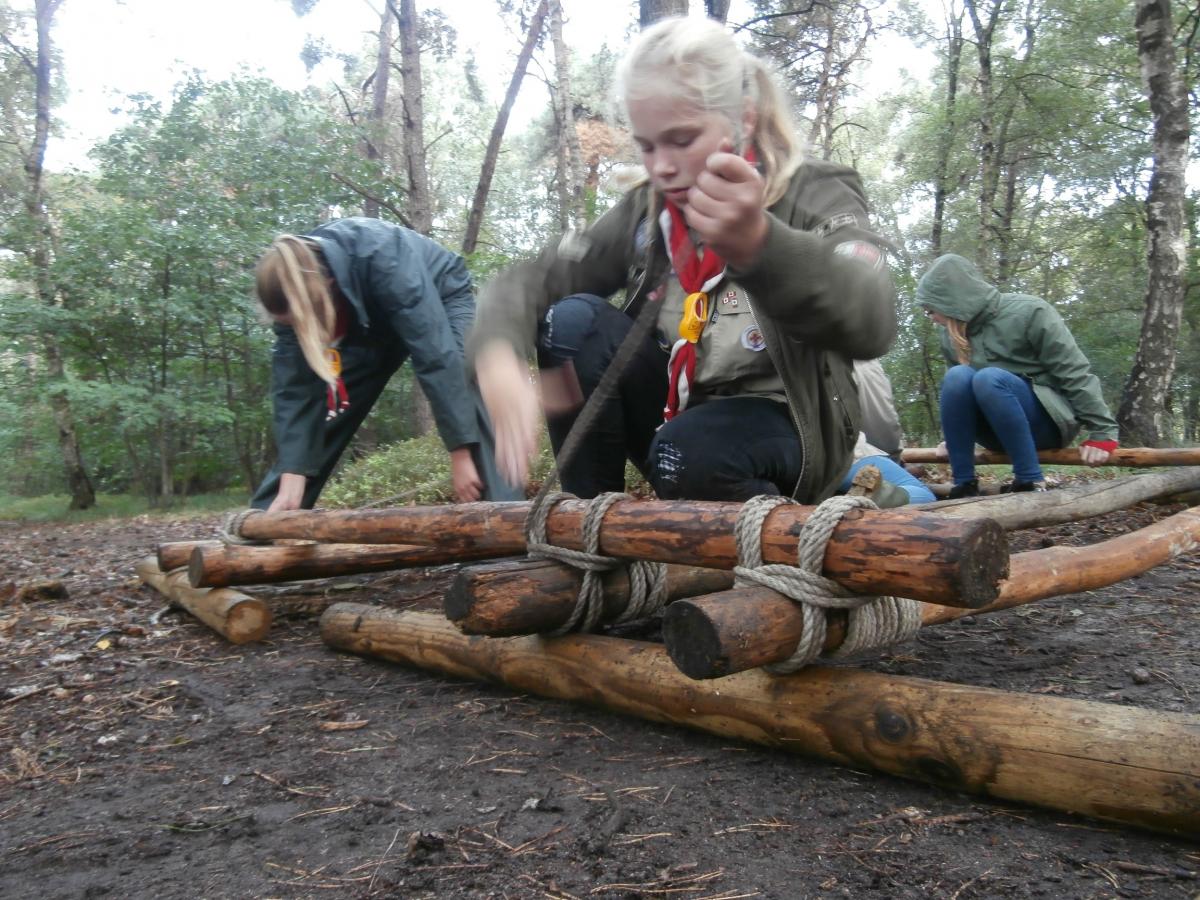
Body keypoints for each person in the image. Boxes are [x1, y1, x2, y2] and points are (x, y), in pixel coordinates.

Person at [469, 16, 895, 504]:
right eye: (646, 146)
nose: (662, 167)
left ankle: (777, 528)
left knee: (694, 451)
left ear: (744, 119)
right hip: (678, 424)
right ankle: (586, 523)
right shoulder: (649, 211)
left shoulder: (814, 191)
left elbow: (872, 319)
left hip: (789, 427)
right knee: (574, 321)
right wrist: (495, 353)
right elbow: (534, 280)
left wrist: (761, 245)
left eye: (682, 139)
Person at [250, 218, 519, 512]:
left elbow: (436, 357)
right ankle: (267, 520)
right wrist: (293, 470)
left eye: (302, 322)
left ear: (326, 289)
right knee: (331, 407)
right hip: (371, 320)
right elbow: (295, 390)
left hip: (440, 295)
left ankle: (506, 514)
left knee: (462, 372)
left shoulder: (384, 257)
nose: (299, 330)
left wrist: (460, 453)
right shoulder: (290, 295)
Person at [916, 253, 1118, 498]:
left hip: (1045, 427)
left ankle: (1029, 480)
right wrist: (955, 438)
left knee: (989, 378)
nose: (932, 318)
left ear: (953, 302)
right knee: (957, 376)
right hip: (995, 432)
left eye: (931, 310)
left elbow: (1073, 372)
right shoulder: (950, 334)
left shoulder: (1030, 311)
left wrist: (1102, 432)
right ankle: (964, 485)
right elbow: (958, 394)